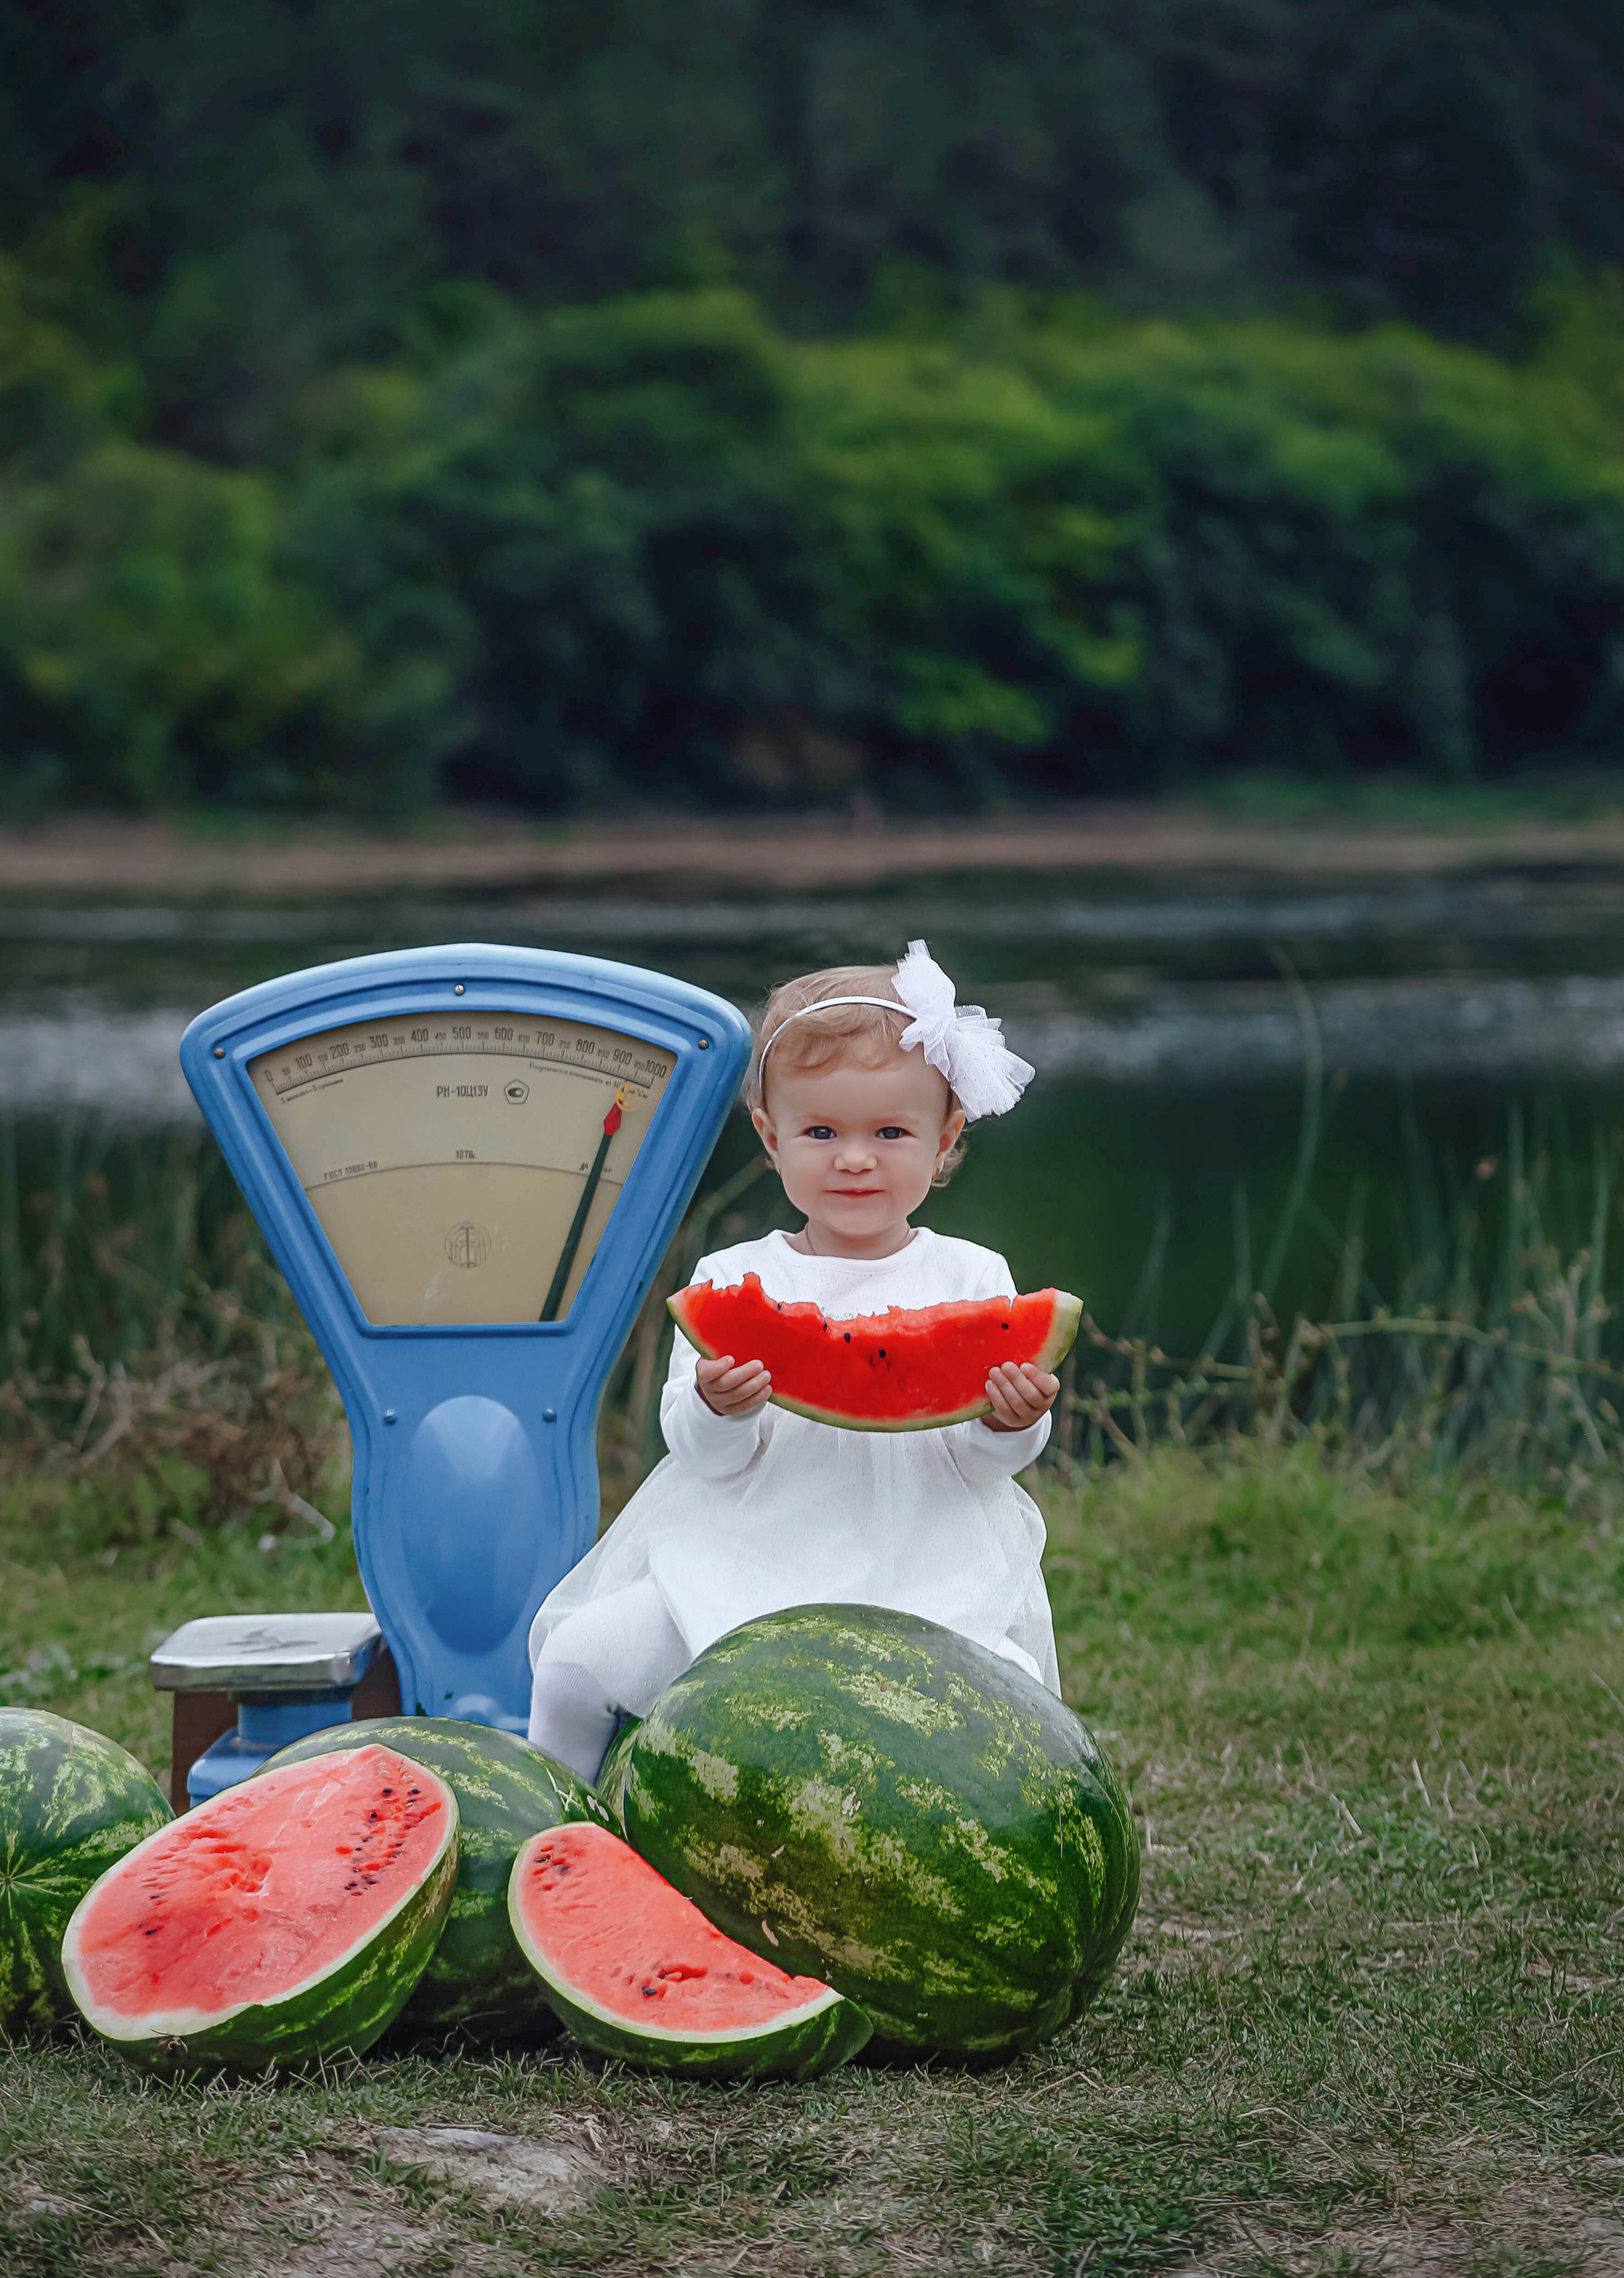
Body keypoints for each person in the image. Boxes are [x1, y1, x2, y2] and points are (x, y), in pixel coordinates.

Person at [527, 941, 1061, 1779]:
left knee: (1022, 1708)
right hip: (742, 1570)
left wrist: (1012, 1422)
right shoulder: (730, 1279)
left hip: (923, 1582)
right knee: (574, 1664)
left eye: (890, 1131)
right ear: (771, 1139)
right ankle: (556, 1837)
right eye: (821, 1131)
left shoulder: (973, 1278)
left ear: (946, 1139)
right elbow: (697, 1450)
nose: (854, 1157)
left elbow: (987, 1460)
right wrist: (716, 1408)